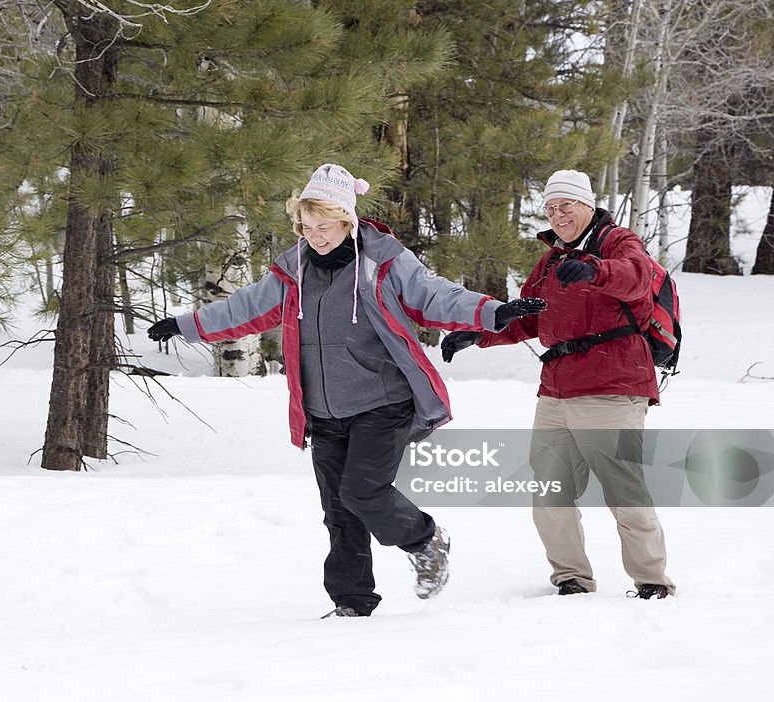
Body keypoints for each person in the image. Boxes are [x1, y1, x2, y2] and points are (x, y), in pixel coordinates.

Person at [148, 163, 546, 617]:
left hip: (383, 403)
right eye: (307, 226)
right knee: (338, 511)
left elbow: (434, 295)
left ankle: (424, 538)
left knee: (363, 492)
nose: (316, 236)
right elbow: (246, 309)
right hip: (324, 411)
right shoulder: (293, 271)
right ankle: (352, 602)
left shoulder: (383, 261)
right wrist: (187, 324)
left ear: (348, 220)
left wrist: (492, 311)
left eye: (326, 226)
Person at [442, 169, 676, 600]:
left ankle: (652, 581)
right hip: (556, 389)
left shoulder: (618, 243)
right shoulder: (551, 258)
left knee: (624, 489)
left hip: (613, 383)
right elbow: (529, 316)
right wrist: (478, 333)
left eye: (566, 205)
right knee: (549, 489)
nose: (558, 214)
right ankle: (571, 577)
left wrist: (594, 271)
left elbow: (637, 278)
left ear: (588, 204)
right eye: (551, 208)